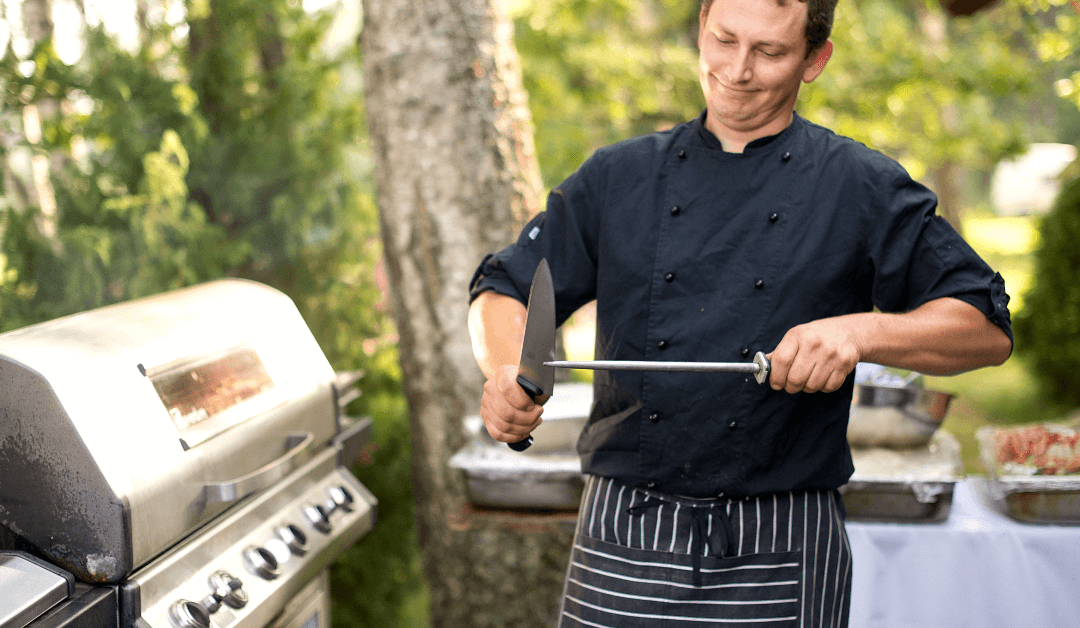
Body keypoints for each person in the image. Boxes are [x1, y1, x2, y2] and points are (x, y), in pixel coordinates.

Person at [467, 0, 1014, 624]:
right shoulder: (618, 177)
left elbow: (984, 325)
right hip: (623, 531)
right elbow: (504, 285)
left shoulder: (858, 185)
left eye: (770, 52)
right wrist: (509, 371)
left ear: (815, 60)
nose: (737, 69)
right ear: (701, 27)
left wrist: (861, 332)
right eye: (724, 39)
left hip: (784, 539)